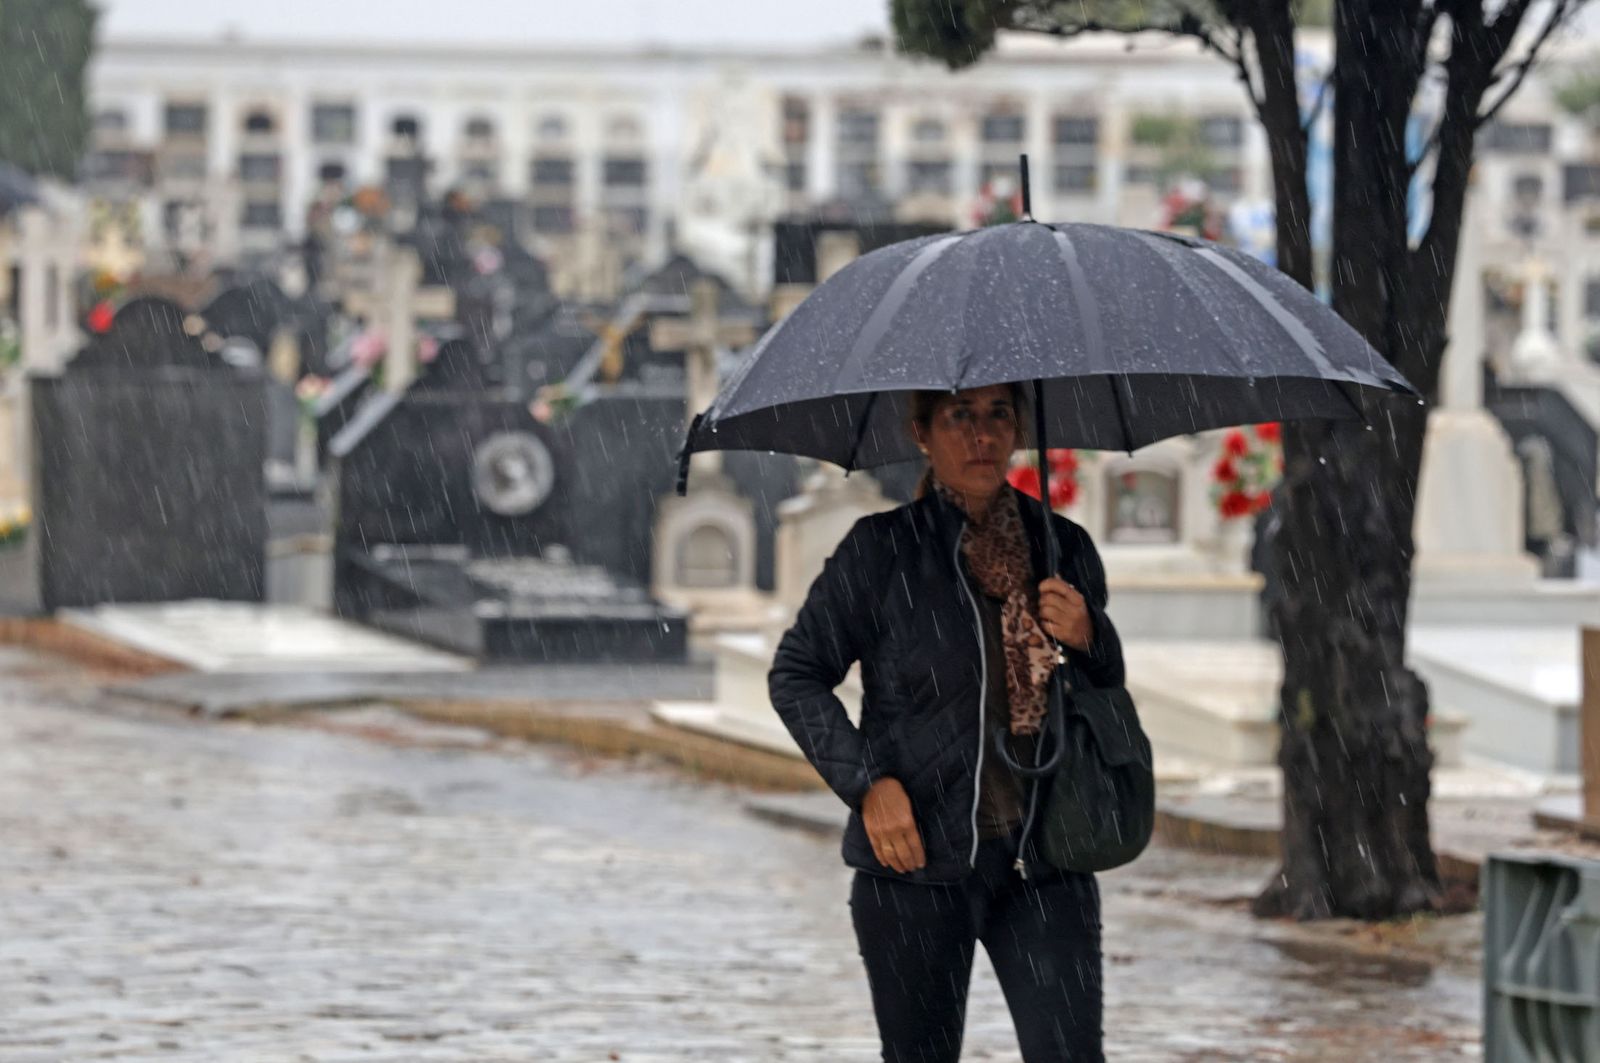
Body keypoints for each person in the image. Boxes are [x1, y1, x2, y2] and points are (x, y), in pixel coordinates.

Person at [768, 383, 1125, 1063]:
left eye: (999, 415)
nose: (981, 435)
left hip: (1046, 860)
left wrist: (1090, 634)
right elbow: (796, 674)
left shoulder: (1064, 547)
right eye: (960, 417)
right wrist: (868, 784)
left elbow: (1102, 689)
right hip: (916, 866)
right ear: (923, 432)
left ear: (1020, 429)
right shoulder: (882, 551)